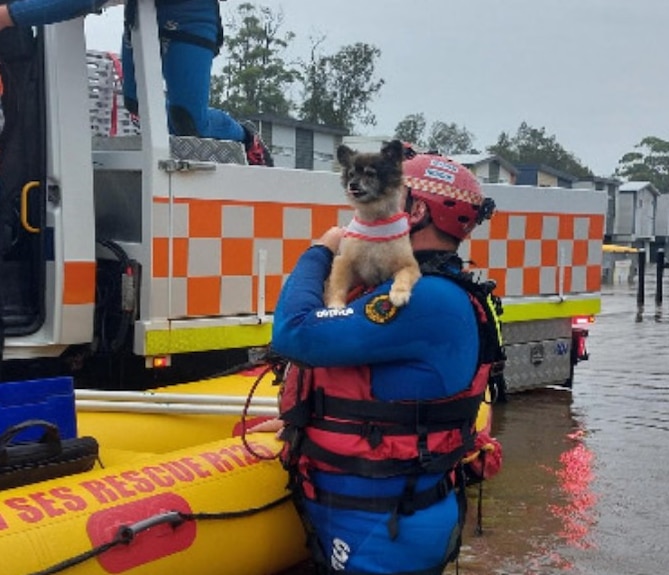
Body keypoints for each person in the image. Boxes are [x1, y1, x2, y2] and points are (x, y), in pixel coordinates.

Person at [267, 149, 504, 574]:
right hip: (391, 516)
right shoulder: (437, 290)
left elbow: (294, 331)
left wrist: (322, 251)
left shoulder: (423, 298)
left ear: (413, 211)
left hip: (382, 527)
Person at [0, 0, 273, 166]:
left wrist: (7, 16)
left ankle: (248, 139)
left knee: (188, 122)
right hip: (143, 16)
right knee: (136, 106)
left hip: (192, 19)